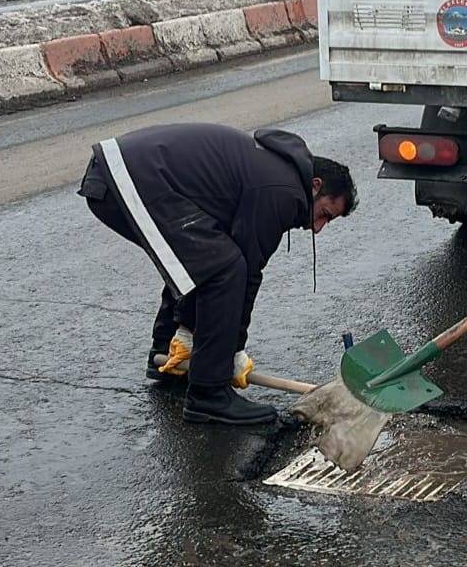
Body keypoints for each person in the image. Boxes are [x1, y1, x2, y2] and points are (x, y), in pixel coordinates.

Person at [78, 123, 357, 425]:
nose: (317, 227)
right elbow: (247, 272)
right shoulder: (282, 191)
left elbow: (203, 264)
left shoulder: (278, 174)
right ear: (315, 185)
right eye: (324, 214)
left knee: (210, 257)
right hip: (127, 179)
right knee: (226, 268)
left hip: (122, 173)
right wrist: (232, 351)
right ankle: (208, 395)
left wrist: (187, 330)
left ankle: (169, 354)